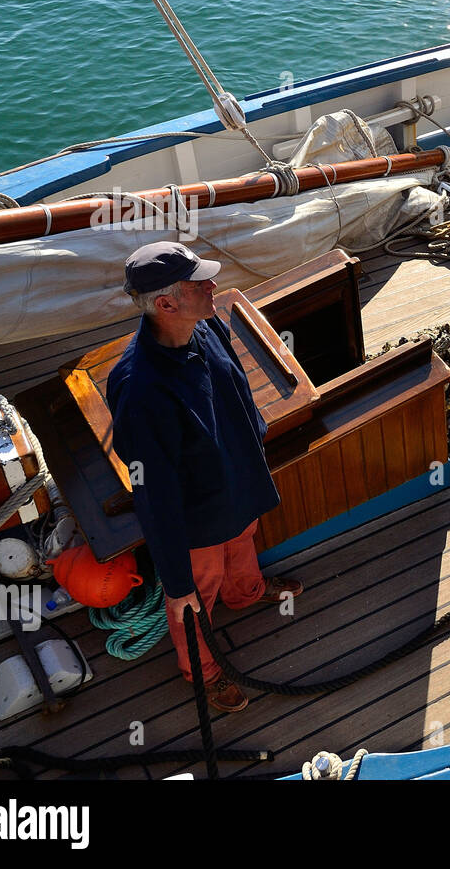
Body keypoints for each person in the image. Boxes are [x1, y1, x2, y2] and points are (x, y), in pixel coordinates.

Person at [107, 242, 302, 712]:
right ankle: (204, 671)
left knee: (243, 546)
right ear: (166, 303)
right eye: (200, 282)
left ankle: (247, 593)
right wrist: (175, 584)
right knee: (197, 593)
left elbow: (234, 380)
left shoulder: (206, 321)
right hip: (195, 521)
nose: (214, 285)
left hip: (239, 483)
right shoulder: (140, 393)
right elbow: (153, 498)